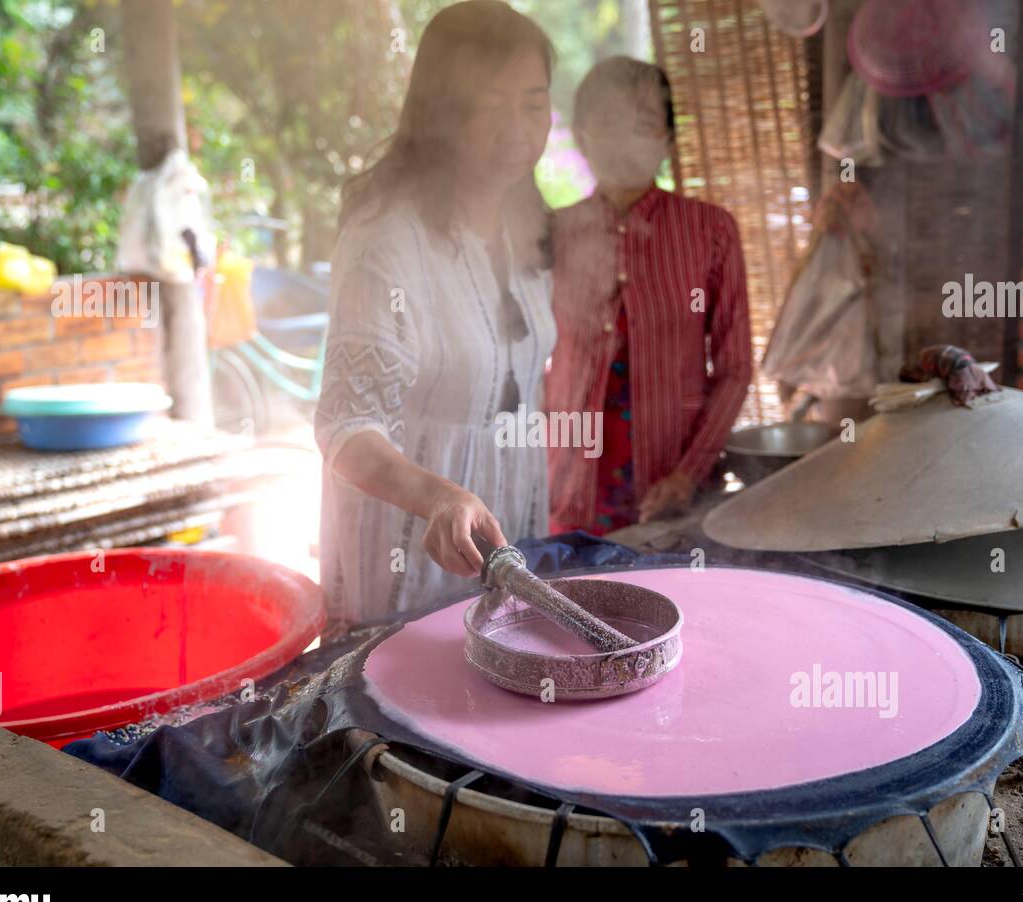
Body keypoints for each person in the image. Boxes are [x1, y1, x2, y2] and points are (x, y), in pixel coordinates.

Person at [315, 1, 556, 626]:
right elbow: (347, 425)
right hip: (406, 550)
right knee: (405, 710)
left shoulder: (527, 228)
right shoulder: (388, 240)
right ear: (441, 113)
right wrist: (439, 497)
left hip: (506, 536)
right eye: (489, 105)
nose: (516, 130)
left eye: (533, 104)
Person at [546, 57, 752, 536]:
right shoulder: (552, 233)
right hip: (570, 488)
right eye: (610, 122)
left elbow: (735, 367)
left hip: (673, 492)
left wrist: (688, 473)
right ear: (582, 135)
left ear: (668, 139)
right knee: (570, 603)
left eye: (642, 123)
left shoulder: (711, 231)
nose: (626, 137)